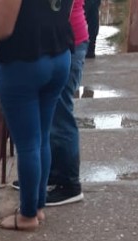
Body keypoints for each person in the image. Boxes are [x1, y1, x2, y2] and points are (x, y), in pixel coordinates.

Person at [0, 0, 73, 231]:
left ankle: (28, 216)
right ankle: (37, 207)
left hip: (24, 62)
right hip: (59, 55)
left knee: (28, 144)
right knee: (41, 137)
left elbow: (2, 29)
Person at [46, 0, 89, 206]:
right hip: (66, 40)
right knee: (55, 113)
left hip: (68, 42)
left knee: (60, 115)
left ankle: (70, 185)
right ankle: (54, 174)